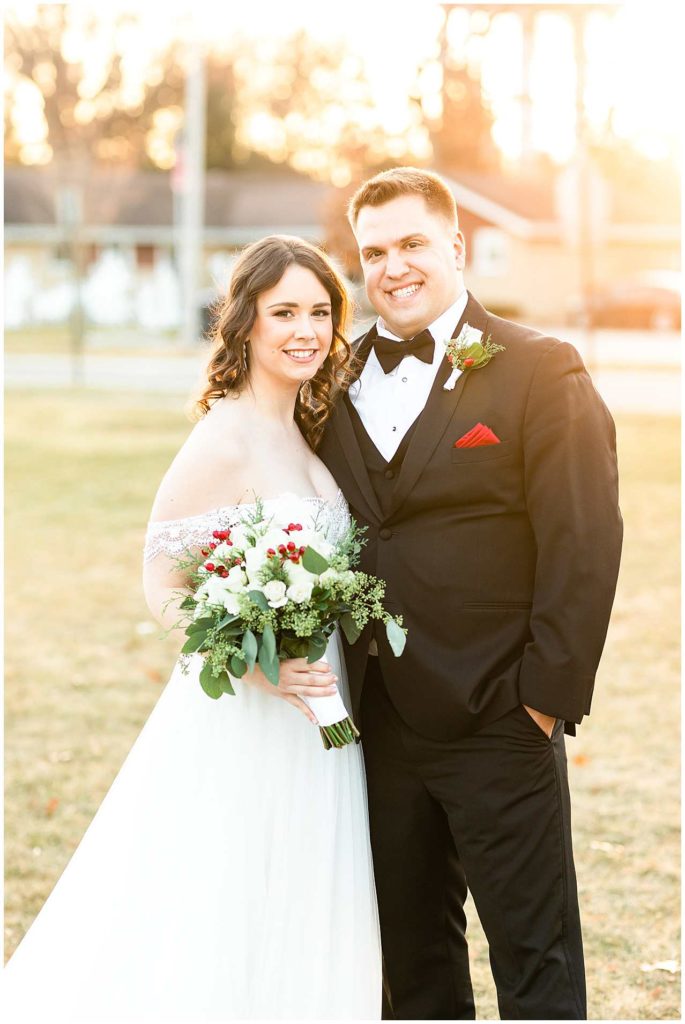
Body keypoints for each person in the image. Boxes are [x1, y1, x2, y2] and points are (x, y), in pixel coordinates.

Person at [1, 235, 382, 1020]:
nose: (306, 330)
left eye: (320, 312)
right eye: (284, 312)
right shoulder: (224, 434)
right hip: (247, 710)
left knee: (297, 888)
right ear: (245, 322)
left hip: (318, 706)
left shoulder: (306, 426)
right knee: (222, 893)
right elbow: (162, 581)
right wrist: (252, 666)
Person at [317, 166, 623, 1020]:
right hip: (375, 726)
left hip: (499, 718)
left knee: (535, 964)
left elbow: (584, 542)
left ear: (455, 246)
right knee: (411, 969)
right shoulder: (333, 380)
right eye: (374, 252)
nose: (392, 267)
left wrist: (542, 704)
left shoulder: (540, 369)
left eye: (411, 243)